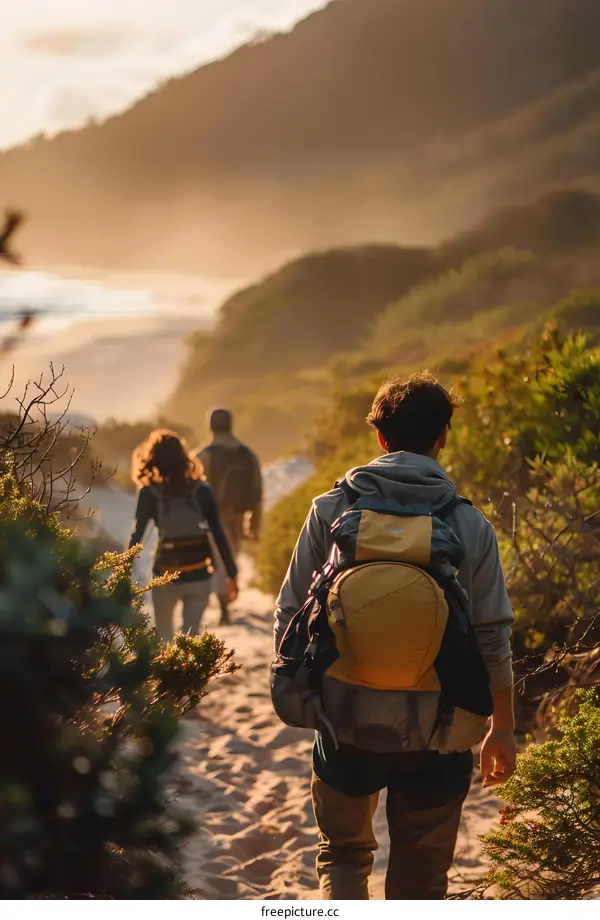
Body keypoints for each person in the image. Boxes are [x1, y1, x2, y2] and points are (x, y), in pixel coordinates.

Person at [274, 373, 516, 900]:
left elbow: (290, 612)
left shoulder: (329, 509)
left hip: (344, 717)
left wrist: (307, 693)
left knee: (342, 855)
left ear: (380, 439)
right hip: (442, 726)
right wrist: (503, 729)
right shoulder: (468, 523)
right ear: (443, 436)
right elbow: (493, 636)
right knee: (422, 876)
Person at [128, 429, 238, 642]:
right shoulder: (202, 491)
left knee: (164, 639)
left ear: (153, 459)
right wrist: (231, 572)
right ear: (183, 457)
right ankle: (188, 675)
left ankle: (168, 675)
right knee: (189, 638)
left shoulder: (149, 493)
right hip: (198, 574)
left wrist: (124, 571)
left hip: (164, 576)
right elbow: (218, 532)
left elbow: (137, 534)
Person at [196, 408, 262, 625]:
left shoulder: (203, 455)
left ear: (211, 425)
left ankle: (224, 606)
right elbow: (257, 491)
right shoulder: (247, 454)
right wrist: (254, 523)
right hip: (238, 517)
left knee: (219, 563)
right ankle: (229, 591)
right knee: (230, 558)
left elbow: (192, 491)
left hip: (213, 518)